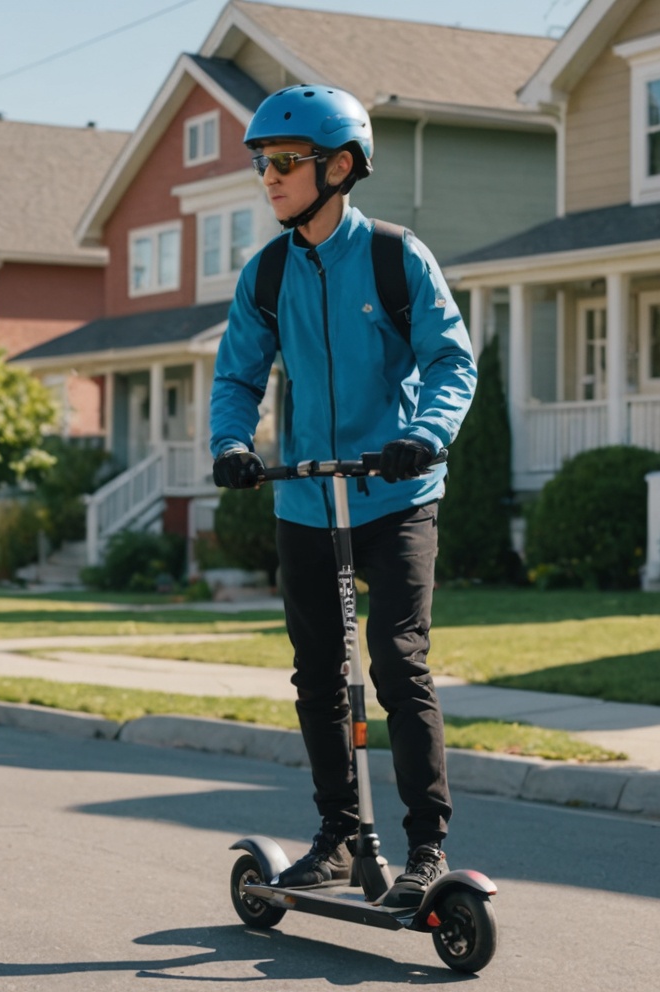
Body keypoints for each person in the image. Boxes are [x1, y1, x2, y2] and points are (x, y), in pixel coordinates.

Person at [207, 84, 477, 909]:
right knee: (319, 676)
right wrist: (231, 444)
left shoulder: (397, 256)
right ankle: (335, 837)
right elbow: (237, 375)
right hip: (305, 503)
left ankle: (426, 847)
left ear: (342, 167)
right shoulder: (268, 273)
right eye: (263, 163)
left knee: (398, 664)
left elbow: (451, 361)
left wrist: (426, 434)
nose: (270, 176)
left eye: (286, 162)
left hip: (396, 495)